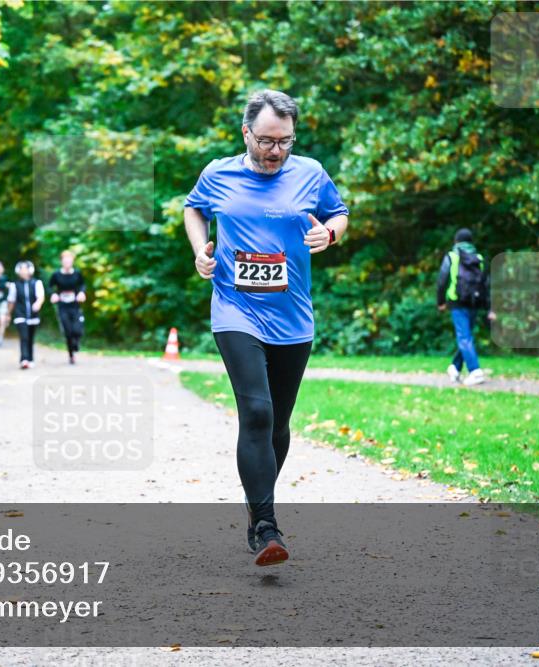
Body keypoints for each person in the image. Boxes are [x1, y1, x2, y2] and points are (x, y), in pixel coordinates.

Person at [183, 89, 349, 567]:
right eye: (266, 141)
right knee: (255, 413)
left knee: (277, 424)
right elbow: (193, 208)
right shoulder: (218, 173)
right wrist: (201, 249)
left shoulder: (311, 173)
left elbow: (339, 213)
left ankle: (257, 500)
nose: (275, 151)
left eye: (285, 142)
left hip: (293, 316)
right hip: (235, 310)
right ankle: (265, 525)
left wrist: (331, 232)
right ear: (246, 133)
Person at [436, 228, 497, 386]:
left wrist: (440, 301)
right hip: (474, 302)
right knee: (466, 336)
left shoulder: (452, 256)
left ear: (456, 241)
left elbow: (442, 280)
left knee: (464, 337)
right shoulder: (479, 258)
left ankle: (475, 372)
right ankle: (454, 368)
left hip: (457, 302)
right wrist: (490, 307)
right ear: (471, 242)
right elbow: (486, 285)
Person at [49, 250, 87, 364]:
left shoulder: (77, 273)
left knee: (77, 330)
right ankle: (71, 355)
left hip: (74, 305)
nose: (67, 263)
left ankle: (76, 343)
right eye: (65, 260)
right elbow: (50, 286)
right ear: (61, 261)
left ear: (72, 261)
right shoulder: (56, 274)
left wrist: (82, 293)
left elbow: (83, 285)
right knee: (68, 331)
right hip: (62, 306)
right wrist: (53, 294)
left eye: (69, 260)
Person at [8, 261, 45, 369]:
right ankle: (24, 359)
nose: (23, 272)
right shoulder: (14, 285)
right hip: (20, 314)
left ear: (30, 271)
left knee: (30, 337)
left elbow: (41, 297)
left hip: (33, 316)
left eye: (25, 269)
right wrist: (8, 314)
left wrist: (38, 304)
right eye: (21, 270)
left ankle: (30, 358)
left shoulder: (36, 283)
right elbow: (11, 301)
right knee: (24, 337)